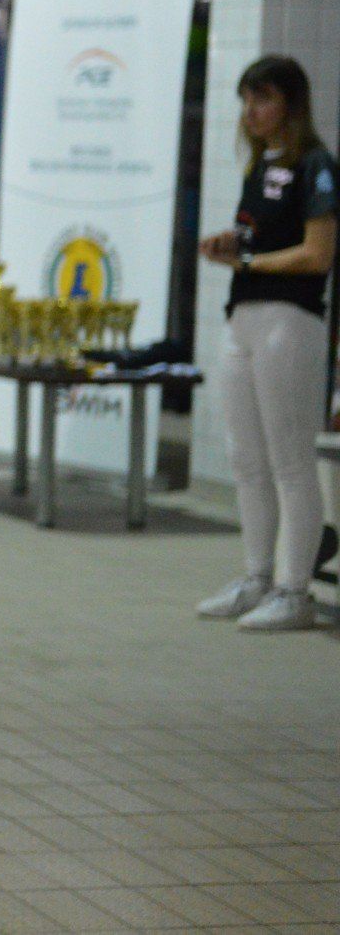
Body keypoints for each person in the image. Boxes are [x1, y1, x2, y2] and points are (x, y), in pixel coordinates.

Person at [196, 55, 336, 633]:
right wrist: (232, 244)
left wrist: (250, 261)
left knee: (290, 461)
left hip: (290, 322)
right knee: (245, 458)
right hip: (244, 319)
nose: (250, 111)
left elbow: (317, 254)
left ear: (291, 104)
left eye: (263, 98)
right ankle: (256, 578)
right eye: (246, 100)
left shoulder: (317, 166)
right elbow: (262, 238)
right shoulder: (260, 167)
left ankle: (294, 591)